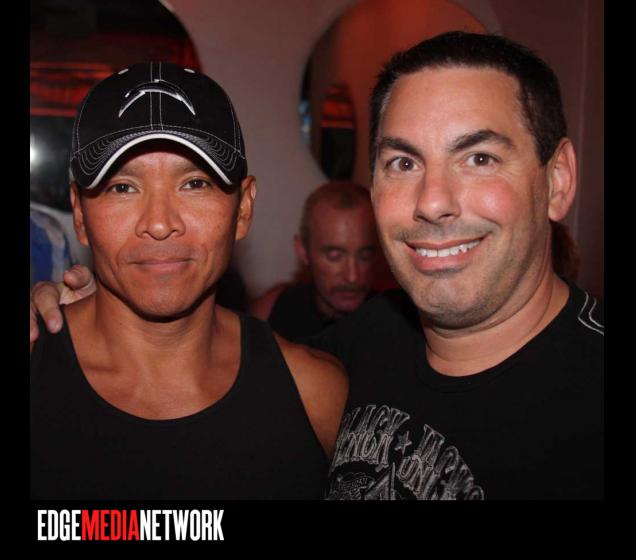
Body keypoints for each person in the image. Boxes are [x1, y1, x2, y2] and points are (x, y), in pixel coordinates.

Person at [30, 32, 603, 500]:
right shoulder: (361, 347)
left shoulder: (319, 389)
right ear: (80, 214)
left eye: (479, 158)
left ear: (557, 181)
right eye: (404, 162)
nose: (433, 201)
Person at [30, 61, 347, 500]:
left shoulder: (317, 395)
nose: (160, 223)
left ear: (243, 209)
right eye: (123, 187)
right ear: (80, 215)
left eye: (195, 183)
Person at [250, 181, 382, 342]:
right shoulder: (271, 312)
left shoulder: (399, 326)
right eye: (334, 256)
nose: (352, 276)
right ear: (303, 251)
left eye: (365, 256)